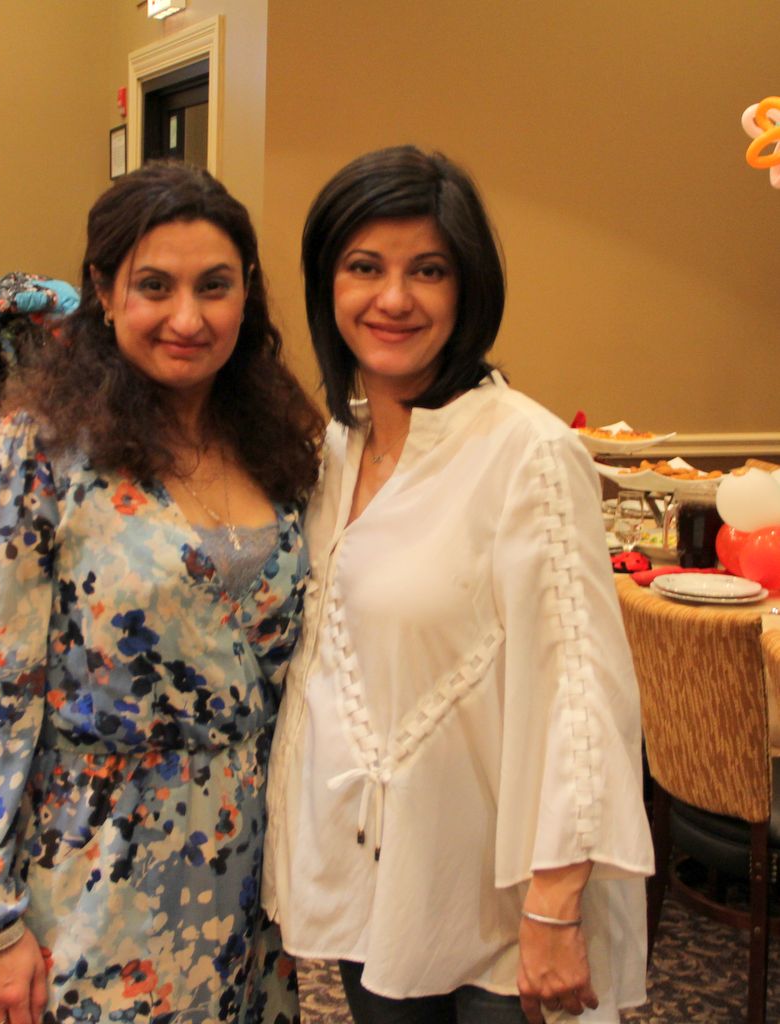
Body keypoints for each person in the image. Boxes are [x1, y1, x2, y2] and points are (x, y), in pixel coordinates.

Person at [0, 161, 324, 1024]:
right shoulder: (26, 456)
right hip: (96, 872)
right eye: (154, 286)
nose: (188, 317)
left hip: (251, 874)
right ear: (102, 291)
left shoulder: (281, 443)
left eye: (215, 286)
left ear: (248, 292)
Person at [263, 146, 654, 1024]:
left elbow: (581, 695)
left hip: (498, 914)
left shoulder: (527, 451)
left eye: (428, 270)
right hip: (378, 890)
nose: (394, 298)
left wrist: (554, 908)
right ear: (328, 284)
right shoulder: (335, 452)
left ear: (468, 287)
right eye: (365, 267)